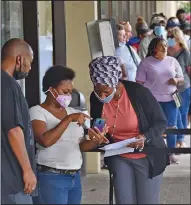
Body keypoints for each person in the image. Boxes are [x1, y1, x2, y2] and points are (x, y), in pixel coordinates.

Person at [89, 56, 170, 204]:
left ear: (115, 82)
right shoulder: (96, 98)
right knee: (124, 200)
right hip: (119, 156)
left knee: (147, 201)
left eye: (106, 92)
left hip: (147, 155)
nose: (102, 96)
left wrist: (144, 137)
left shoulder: (139, 93)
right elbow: (98, 121)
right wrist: (99, 133)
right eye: (97, 91)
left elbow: (161, 122)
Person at [29, 65, 108, 204]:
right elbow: (45, 141)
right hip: (51, 176)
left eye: (70, 92)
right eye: (65, 91)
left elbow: (80, 145)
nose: (68, 96)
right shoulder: (37, 112)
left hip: (74, 176)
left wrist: (96, 140)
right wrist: (68, 119)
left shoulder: (72, 111)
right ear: (51, 89)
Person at [136, 37, 184, 164]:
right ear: (154, 48)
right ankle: (155, 151)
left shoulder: (172, 61)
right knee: (153, 126)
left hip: (170, 99)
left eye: (166, 46)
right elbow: (139, 83)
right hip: (153, 100)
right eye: (161, 46)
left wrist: (177, 80)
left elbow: (181, 78)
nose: (165, 48)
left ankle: (171, 153)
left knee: (172, 125)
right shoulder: (146, 63)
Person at [1, 38, 37, 204]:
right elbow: (13, 130)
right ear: (19, 59)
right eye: (30, 61)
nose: (30, 67)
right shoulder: (8, 85)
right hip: (11, 179)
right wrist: (27, 169)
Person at [167, 27, 191, 147]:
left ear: (177, 38)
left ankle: (181, 139)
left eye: (171, 37)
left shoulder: (185, 53)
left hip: (184, 87)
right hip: (172, 89)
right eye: (168, 37)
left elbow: (189, 71)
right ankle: (178, 138)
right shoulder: (167, 51)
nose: (169, 39)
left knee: (182, 113)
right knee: (175, 113)